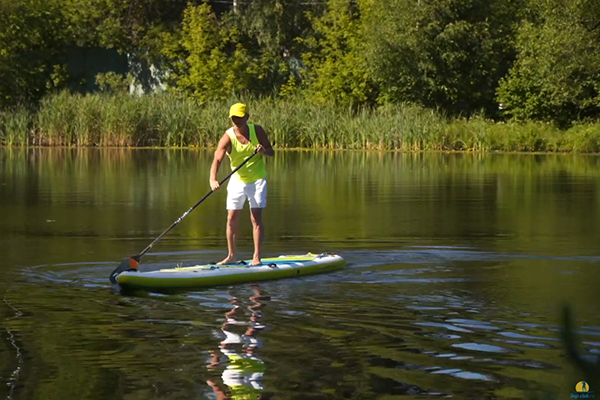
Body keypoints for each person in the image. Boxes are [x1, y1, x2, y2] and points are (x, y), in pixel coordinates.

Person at [210, 103, 274, 266]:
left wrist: (263, 152)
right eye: (234, 118)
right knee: (231, 217)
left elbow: (271, 152)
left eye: (239, 117)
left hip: (257, 180)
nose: (236, 121)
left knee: (255, 217)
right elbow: (217, 158)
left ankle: (256, 257)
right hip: (237, 181)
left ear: (247, 117)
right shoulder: (227, 136)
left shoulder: (257, 131)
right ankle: (231, 256)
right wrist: (213, 179)